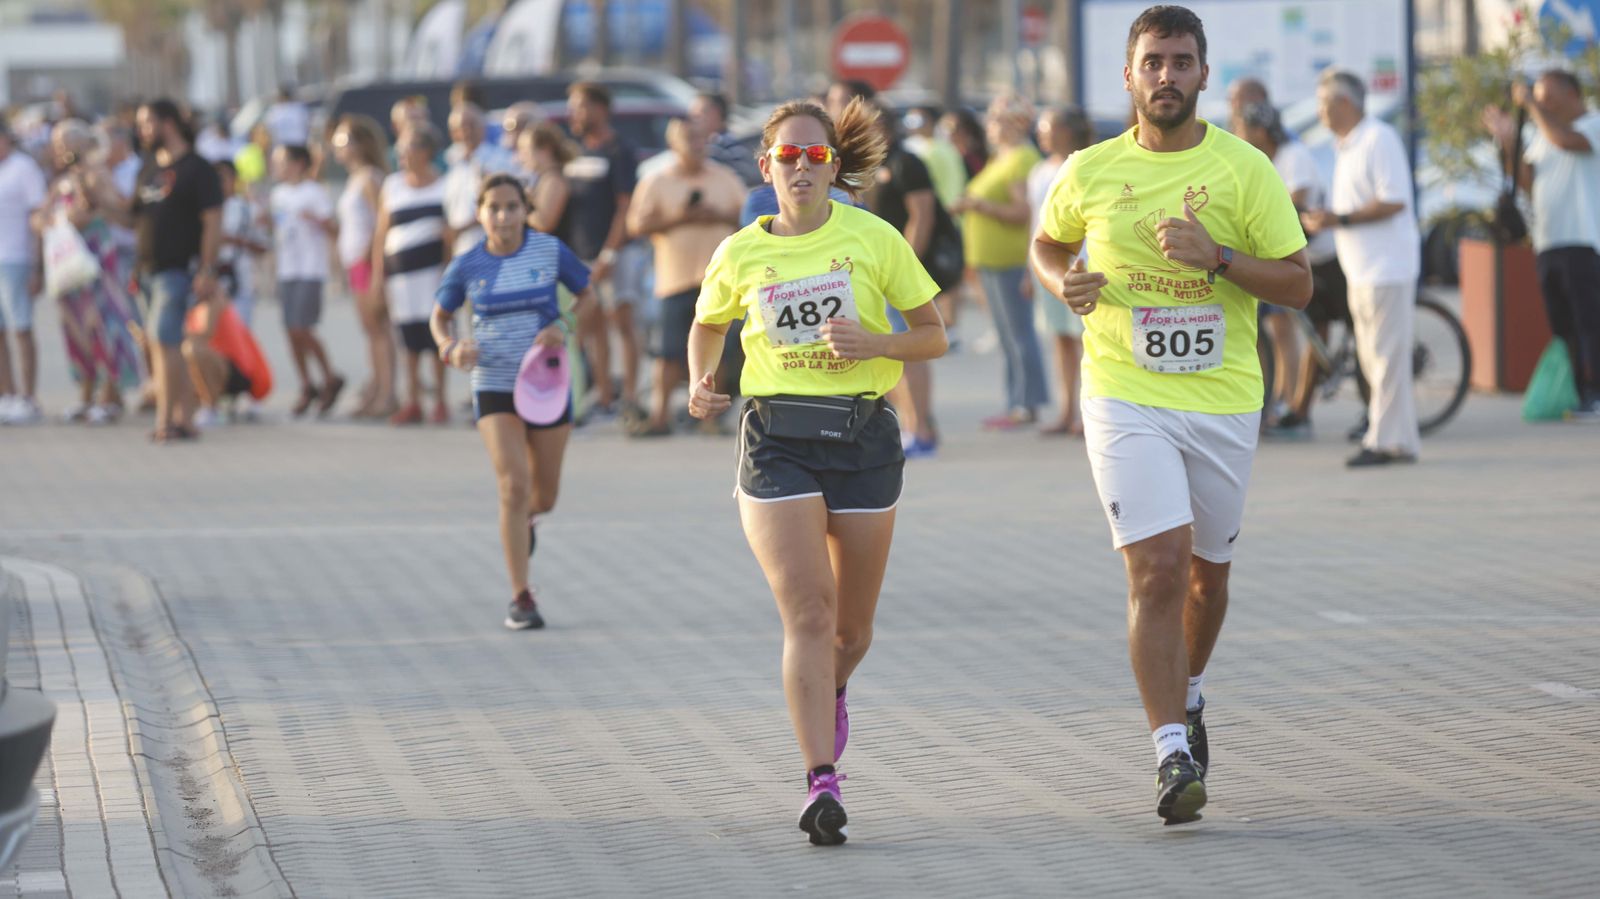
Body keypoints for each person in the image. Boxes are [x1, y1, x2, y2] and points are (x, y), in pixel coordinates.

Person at [1030, 5, 1311, 824]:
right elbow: (1048, 245)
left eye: (1181, 62)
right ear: (1128, 75)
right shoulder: (1087, 169)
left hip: (1222, 397)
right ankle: (1169, 754)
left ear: (1202, 74)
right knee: (1155, 565)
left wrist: (1219, 258)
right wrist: (1063, 281)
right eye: (1152, 62)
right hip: (1123, 393)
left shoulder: (1243, 171)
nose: (1166, 76)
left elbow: (1298, 285)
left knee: (1207, 576)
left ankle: (1188, 692)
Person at [686, 97, 948, 846]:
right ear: (766, 167)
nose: (801, 167)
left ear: (834, 165)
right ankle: (820, 779)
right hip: (778, 439)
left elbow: (933, 336)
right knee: (808, 612)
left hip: (864, 438)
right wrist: (700, 380)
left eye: (815, 155)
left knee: (851, 631)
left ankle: (831, 687)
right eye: (787, 157)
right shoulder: (740, 251)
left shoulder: (874, 237)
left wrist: (875, 343)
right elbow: (707, 323)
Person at [431, 174, 593, 629]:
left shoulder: (548, 250)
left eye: (511, 207)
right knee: (513, 486)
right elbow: (439, 317)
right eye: (493, 207)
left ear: (525, 210)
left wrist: (564, 325)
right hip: (494, 381)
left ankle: (524, 525)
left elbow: (588, 294)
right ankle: (521, 596)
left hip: (546, 381)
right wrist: (451, 348)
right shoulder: (467, 265)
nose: (503, 216)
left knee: (544, 495)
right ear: (479, 213)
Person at [1301, 68, 1421, 467]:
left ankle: (1382, 441)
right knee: (1374, 358)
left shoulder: (1378, 138)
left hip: (1387, 267)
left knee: (1384, 358)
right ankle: (1400, 440)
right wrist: (1331, 220)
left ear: (1344, 103)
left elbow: (1394, 200)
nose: (1319, 111)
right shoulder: (1347, 145)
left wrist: (1340, 220)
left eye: (1323, 103)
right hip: (1362, 269)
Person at [1484, 69, 1600, 420]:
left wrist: (1531, 106)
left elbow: (1567, 141)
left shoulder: (1592, 123)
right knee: (1562, 326)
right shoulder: (1542, 134)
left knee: (1589, 323)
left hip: (1584, 240)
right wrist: (1507, 142)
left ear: (1572, 94)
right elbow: (1527, 181)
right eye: (1537, 95)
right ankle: (1579, 393)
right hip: (1549, 242)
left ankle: (1595, 394)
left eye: (1547, 95)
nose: (1541, 102)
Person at [626, 117, 743, 437]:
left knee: (717, 345)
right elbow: (636, 226)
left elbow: (746, 217)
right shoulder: (656, 181)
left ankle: (709, 419)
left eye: (699, 137)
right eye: (688, 138)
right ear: (673, 144)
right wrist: (680, 217)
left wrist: (716, 215)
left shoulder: (725, 177)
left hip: (718, 280)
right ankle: (660, 416)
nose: (695, 144)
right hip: (674, 278)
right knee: (667, 352)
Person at [1234, 100, 1344, 435]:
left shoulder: (1292, 157)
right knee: (1312, 328)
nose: (1238, 135)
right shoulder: (1265, 159)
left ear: (1260, 131)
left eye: (1243, 129)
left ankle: (1295, 404)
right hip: (1305, 256)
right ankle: (1297, 409)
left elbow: (1293, 206)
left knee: (1330, 329)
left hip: (1325, 256)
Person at [865, 101, 964, 457]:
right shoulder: (873, 166)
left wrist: (903, 271)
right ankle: (908, 425)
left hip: (900, 272)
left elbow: (921, 218)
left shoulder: (906, 163)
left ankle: (921, 429)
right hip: (876, 272)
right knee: (889, 354)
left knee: (909, 352)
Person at [34, 119, 140, 424]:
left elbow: (123, 213)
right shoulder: (61, 180)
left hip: (97, 262)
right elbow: (40, 217)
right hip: (69, 267)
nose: (56, 150)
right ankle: (87, 393)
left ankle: (110, 395)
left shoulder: (96, 175)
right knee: (76, 328)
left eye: (61, 143)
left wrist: (91, 209)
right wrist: (52, 221)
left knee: (103, 324)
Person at [954, 94, 1049, 430]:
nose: (989, 126)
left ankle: (1027, 402)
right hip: (990, 260)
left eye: (996, 120)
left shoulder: (1021, 158)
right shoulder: (1002, 156)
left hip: (1009, 259)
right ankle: (1015, 401)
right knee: (1007, 335)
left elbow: (1023, 212)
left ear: (1015, 123)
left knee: (1019, 333)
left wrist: (981, 207)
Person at [133, 99, 224, 443]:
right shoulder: (149, 168)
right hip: (146, 270)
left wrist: (207, 269)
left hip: (177, 270)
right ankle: (184, 418)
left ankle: (165, 420)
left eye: (147, 123)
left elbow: (212, 222)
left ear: (167, 123)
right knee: (163, 344)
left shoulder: (198, 169)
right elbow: (132, 215)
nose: (141, 131)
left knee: (163, 340)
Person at [564, 82, 640, 420]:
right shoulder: (574, 150)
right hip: (579, 254)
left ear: (601, 109)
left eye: (580, 106)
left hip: (614, 254)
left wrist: (609, 253)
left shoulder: (619, 150)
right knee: (590, 327)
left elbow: (625, 206)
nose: (574, 113)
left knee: (621, 322)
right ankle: (605, 397)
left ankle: (631, 398)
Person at [373, 124, 454, 425]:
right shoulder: (393, 185)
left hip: (432, 273)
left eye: (408, 149)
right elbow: (381, 234)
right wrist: (377, 277)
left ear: (426, 152)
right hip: (400, 277)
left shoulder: (444, 185)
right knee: (408, 340)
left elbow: (449, 235)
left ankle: (441, 402)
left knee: (435, 337)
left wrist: (449, 273)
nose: (401, 155)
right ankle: (413, 401)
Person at [1027, 106, 1093, 437]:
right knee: (1060, 340)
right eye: (1040, 129)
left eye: (1048, 128)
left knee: (1085, 341)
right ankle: (1065, 410)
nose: (1042, 134)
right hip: (1049, 270)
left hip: (1082, 265)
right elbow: (1034, 227)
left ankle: (1086, 414)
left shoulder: (1085, 165)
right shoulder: (1039, 170)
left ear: (1067, 131)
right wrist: (1031, 270)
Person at [269, 144, 344, 417]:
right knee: (290, 331)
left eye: (282, 161)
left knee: (302, 328)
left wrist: (318, 221)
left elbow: (334, 227)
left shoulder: (314, 192)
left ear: (299, 163)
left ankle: (330, 377)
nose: (276, 167)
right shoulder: (278, 194)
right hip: (287, 269)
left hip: (310, 268)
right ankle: (305, 383)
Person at [331, 114, 395, 419]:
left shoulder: (370, 177)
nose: (337, 148)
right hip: (356, 263)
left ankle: (387, 393)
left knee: (379, 331)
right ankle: (377, 387)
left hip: (368, 262)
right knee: (370, 331)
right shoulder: (355, 177)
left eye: (343, 141)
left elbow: (381, 223)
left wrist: (374, 264)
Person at [0, 119, 47, 424]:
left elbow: (38, 218)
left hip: (16, 259)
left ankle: (28, 397)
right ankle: (7, 394)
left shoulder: (23, 167)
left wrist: (37, 266)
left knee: (21, 328)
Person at [443, 103, 517, 256]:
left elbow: (503, 204)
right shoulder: (453, 166)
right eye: (460, 127)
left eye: (471, 125)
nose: (466, 131)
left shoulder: (500, 160)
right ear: (453, 133)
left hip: (494, 250)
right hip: (462, 253)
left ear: (483, 127)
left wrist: (462, 229)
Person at [902, 105, 968, 212]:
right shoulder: (947, 147)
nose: (912, 125)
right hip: (952, 216)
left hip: (941, 216)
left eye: (917, 120)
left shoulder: (930, 152)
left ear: (931, 121)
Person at [691, 91, 762, 186]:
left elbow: (742, 181)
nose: (693, 119)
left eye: (698, 113)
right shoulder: (710, 145)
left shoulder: (726, 147)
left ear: (715, 113)